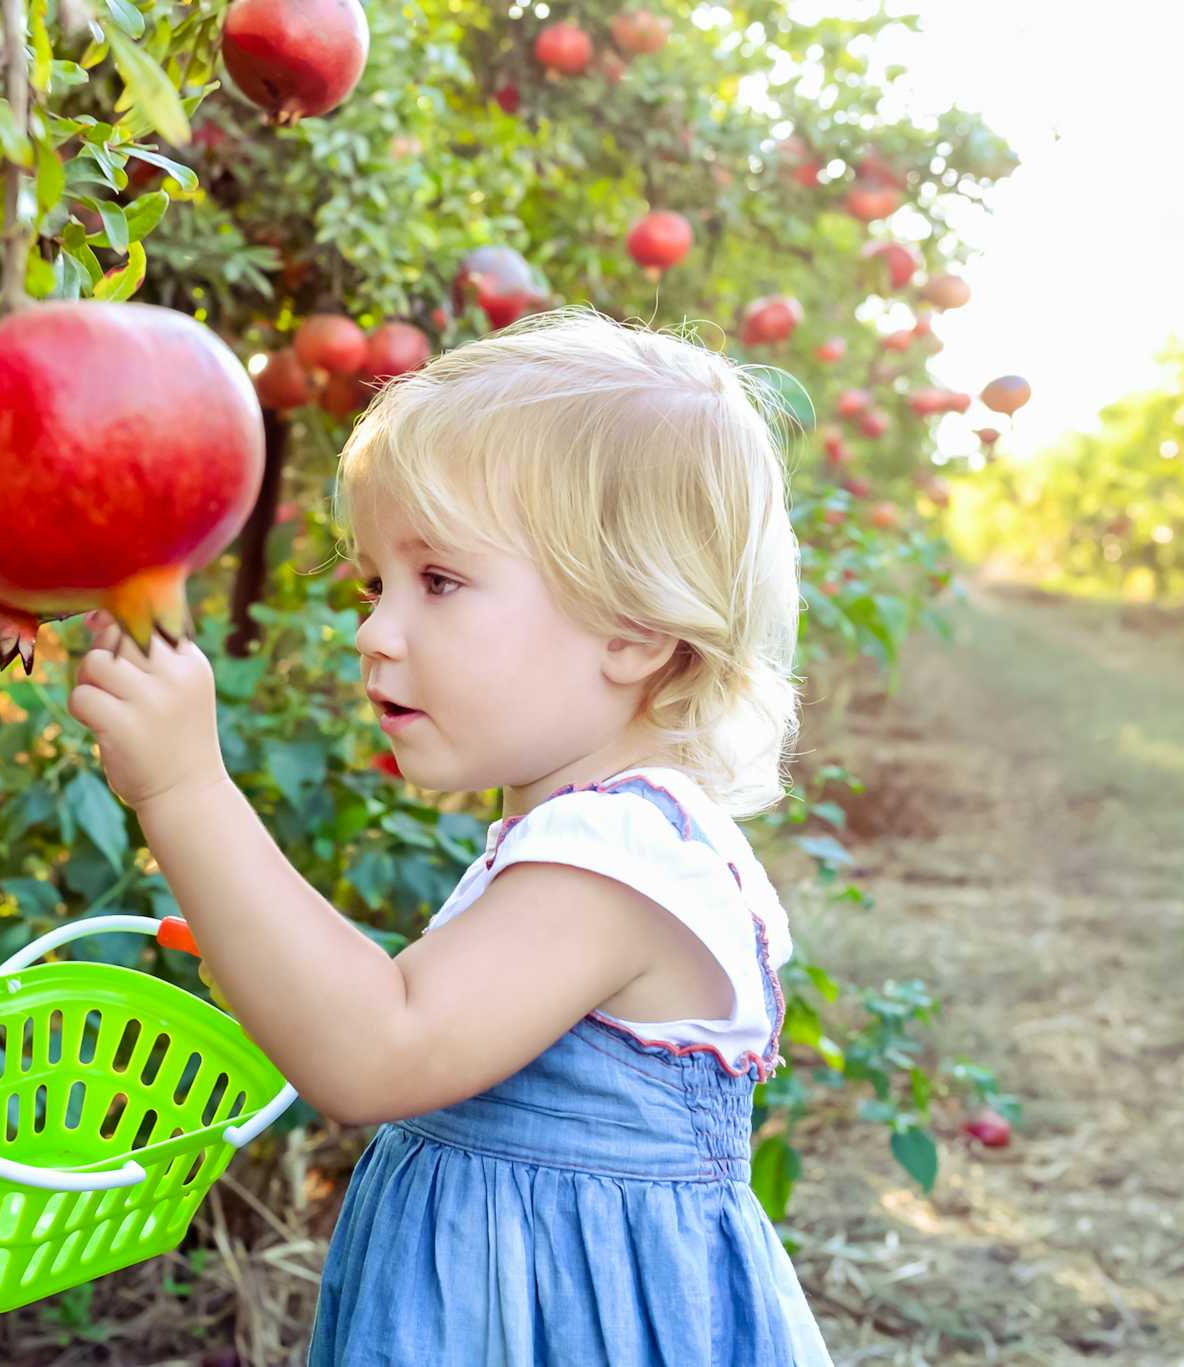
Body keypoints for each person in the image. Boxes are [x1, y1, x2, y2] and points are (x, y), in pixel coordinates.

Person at [67, 306, 833, 1365]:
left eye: (437, 581)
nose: (374, 630)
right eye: (374, 583)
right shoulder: (578, 837)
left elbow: (378, 1045)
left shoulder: (617, 863)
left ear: (634, 630)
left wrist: (187, 789)